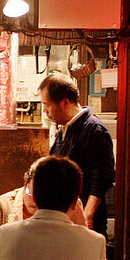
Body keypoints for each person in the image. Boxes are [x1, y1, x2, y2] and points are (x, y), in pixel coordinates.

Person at [38, 73, 115, 236]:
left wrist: (88, 214)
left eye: (47, 105)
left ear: (65, 103)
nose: (45, 111)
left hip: (85, 223)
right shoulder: (64, 130)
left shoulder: (95, 130)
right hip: (63, 220)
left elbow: (103, 176)